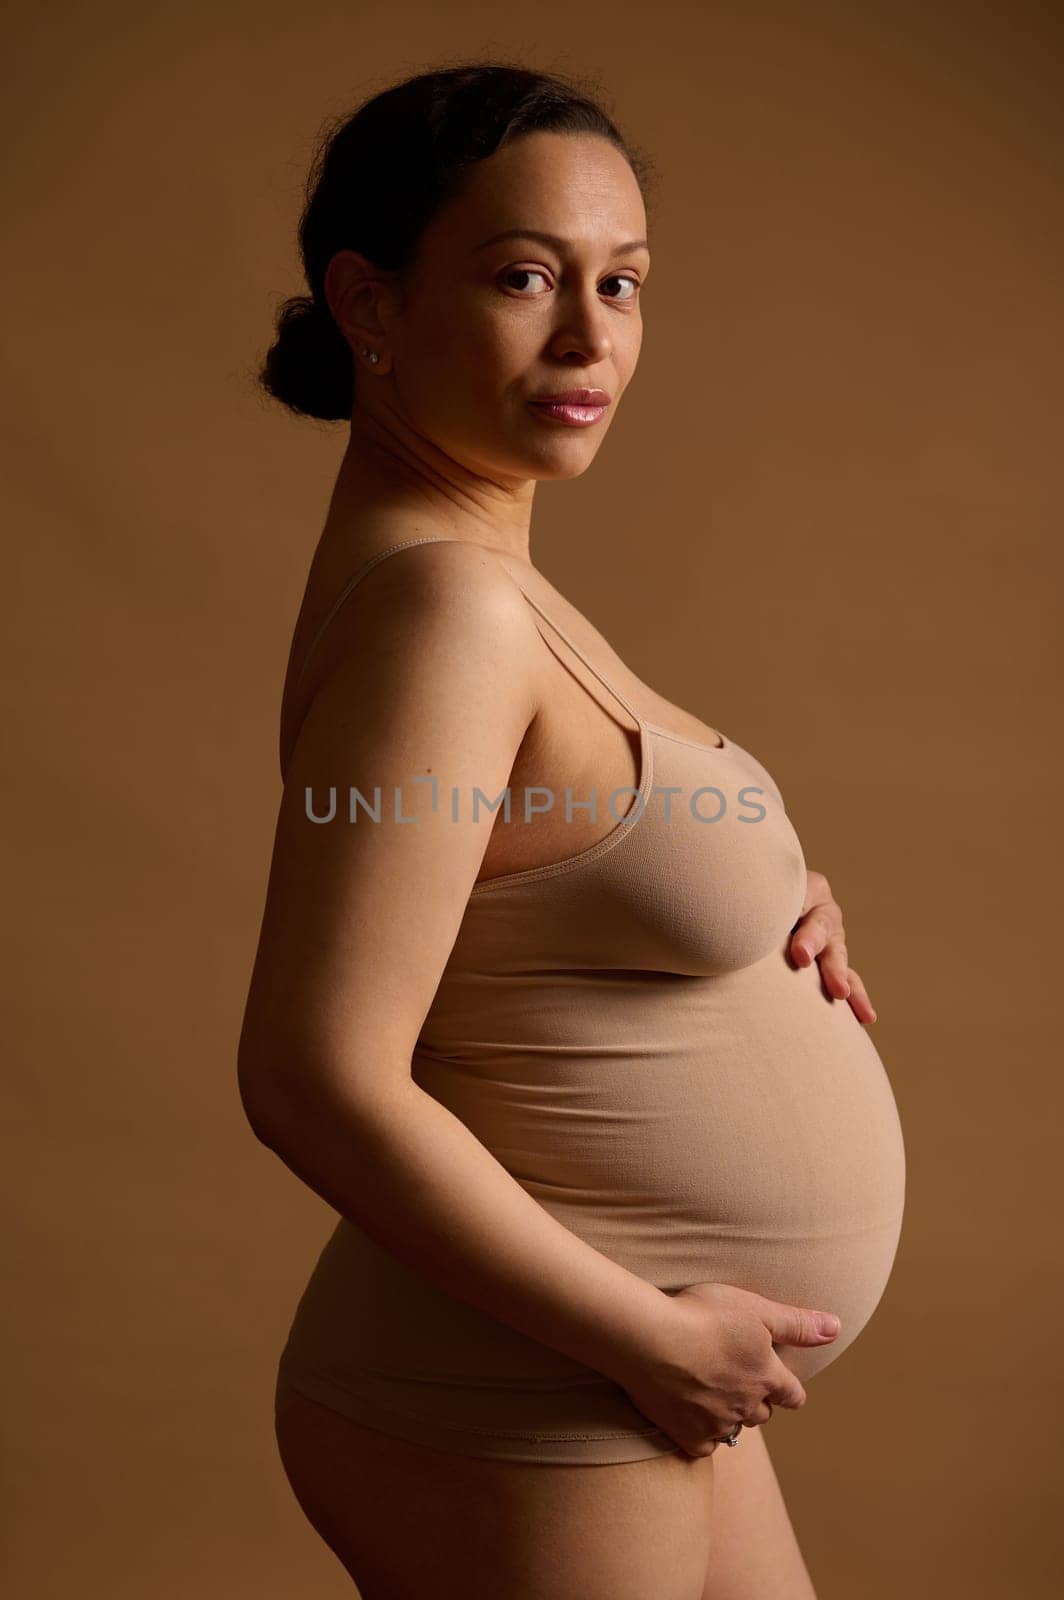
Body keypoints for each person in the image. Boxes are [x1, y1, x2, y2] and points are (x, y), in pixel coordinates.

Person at [237, 60, 905, 1600]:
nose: (592, 335)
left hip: (607, 1369)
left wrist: (754, 903)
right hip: (533, 1386)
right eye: (525, 277)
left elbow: (528, 859)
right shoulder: (446, 610)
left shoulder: (485, 581)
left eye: (625, 282)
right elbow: (311, 1075)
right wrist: (652, 1336)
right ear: (373, 305)